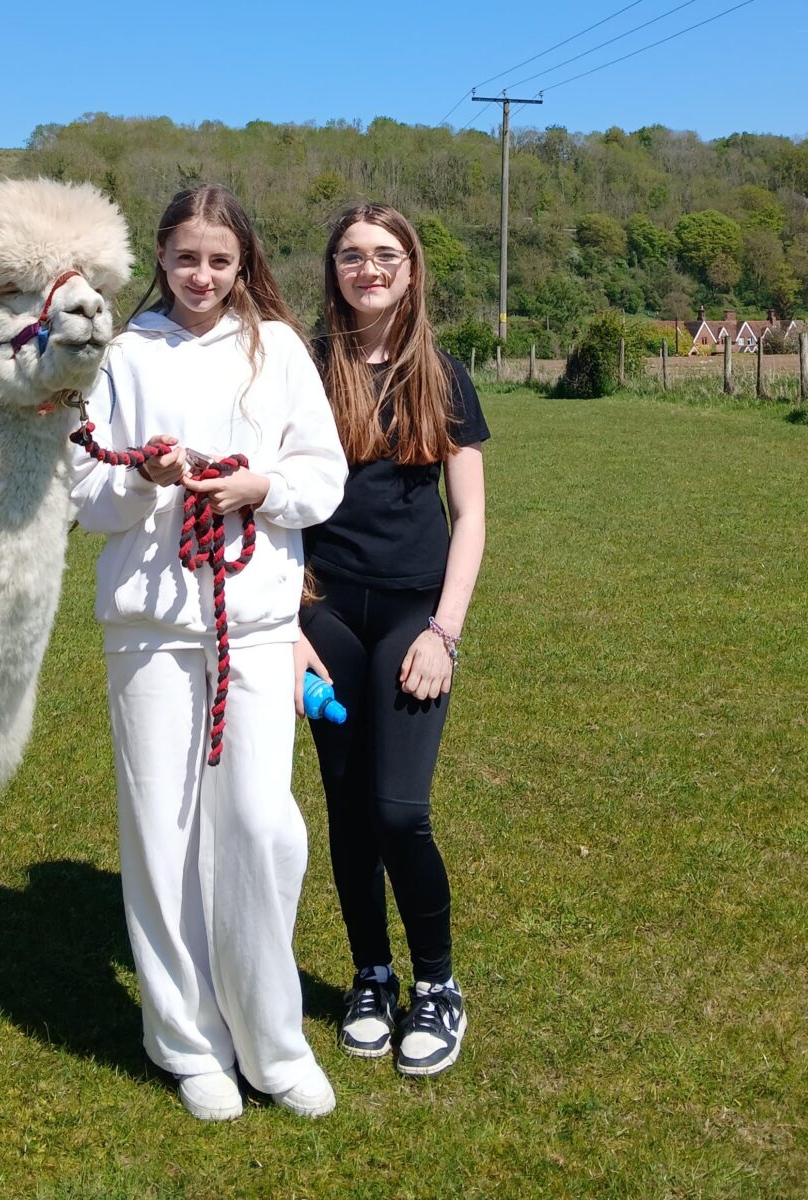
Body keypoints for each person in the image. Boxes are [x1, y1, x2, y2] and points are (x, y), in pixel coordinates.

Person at [68, 185, 347, 1121]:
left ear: (242, 263)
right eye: (186, 257)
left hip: (258, 619)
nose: (201, 276)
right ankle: (190, 1043)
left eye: (219, 261)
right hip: (150, 623)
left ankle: (273, 1041)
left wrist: (255, 487)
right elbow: (85, 492)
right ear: (162, 255)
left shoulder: (278, 348)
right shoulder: (125, 350)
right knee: (163, 834)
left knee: (262, 829)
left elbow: (322, 475)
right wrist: (147, 482)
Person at [296, 203, 488, 1078]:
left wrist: (444, 632)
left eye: (385, 255)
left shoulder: (441, 373)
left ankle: (437, 984)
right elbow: (273, 498)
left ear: (411, 269)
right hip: (323, 613)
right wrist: (288, 622)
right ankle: (370, 975)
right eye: (350, 255)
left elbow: (471, 515)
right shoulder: (301, 367)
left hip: (414, 609)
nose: (367, 268)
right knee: (345, 807)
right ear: (332, 269)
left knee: (398, 811)